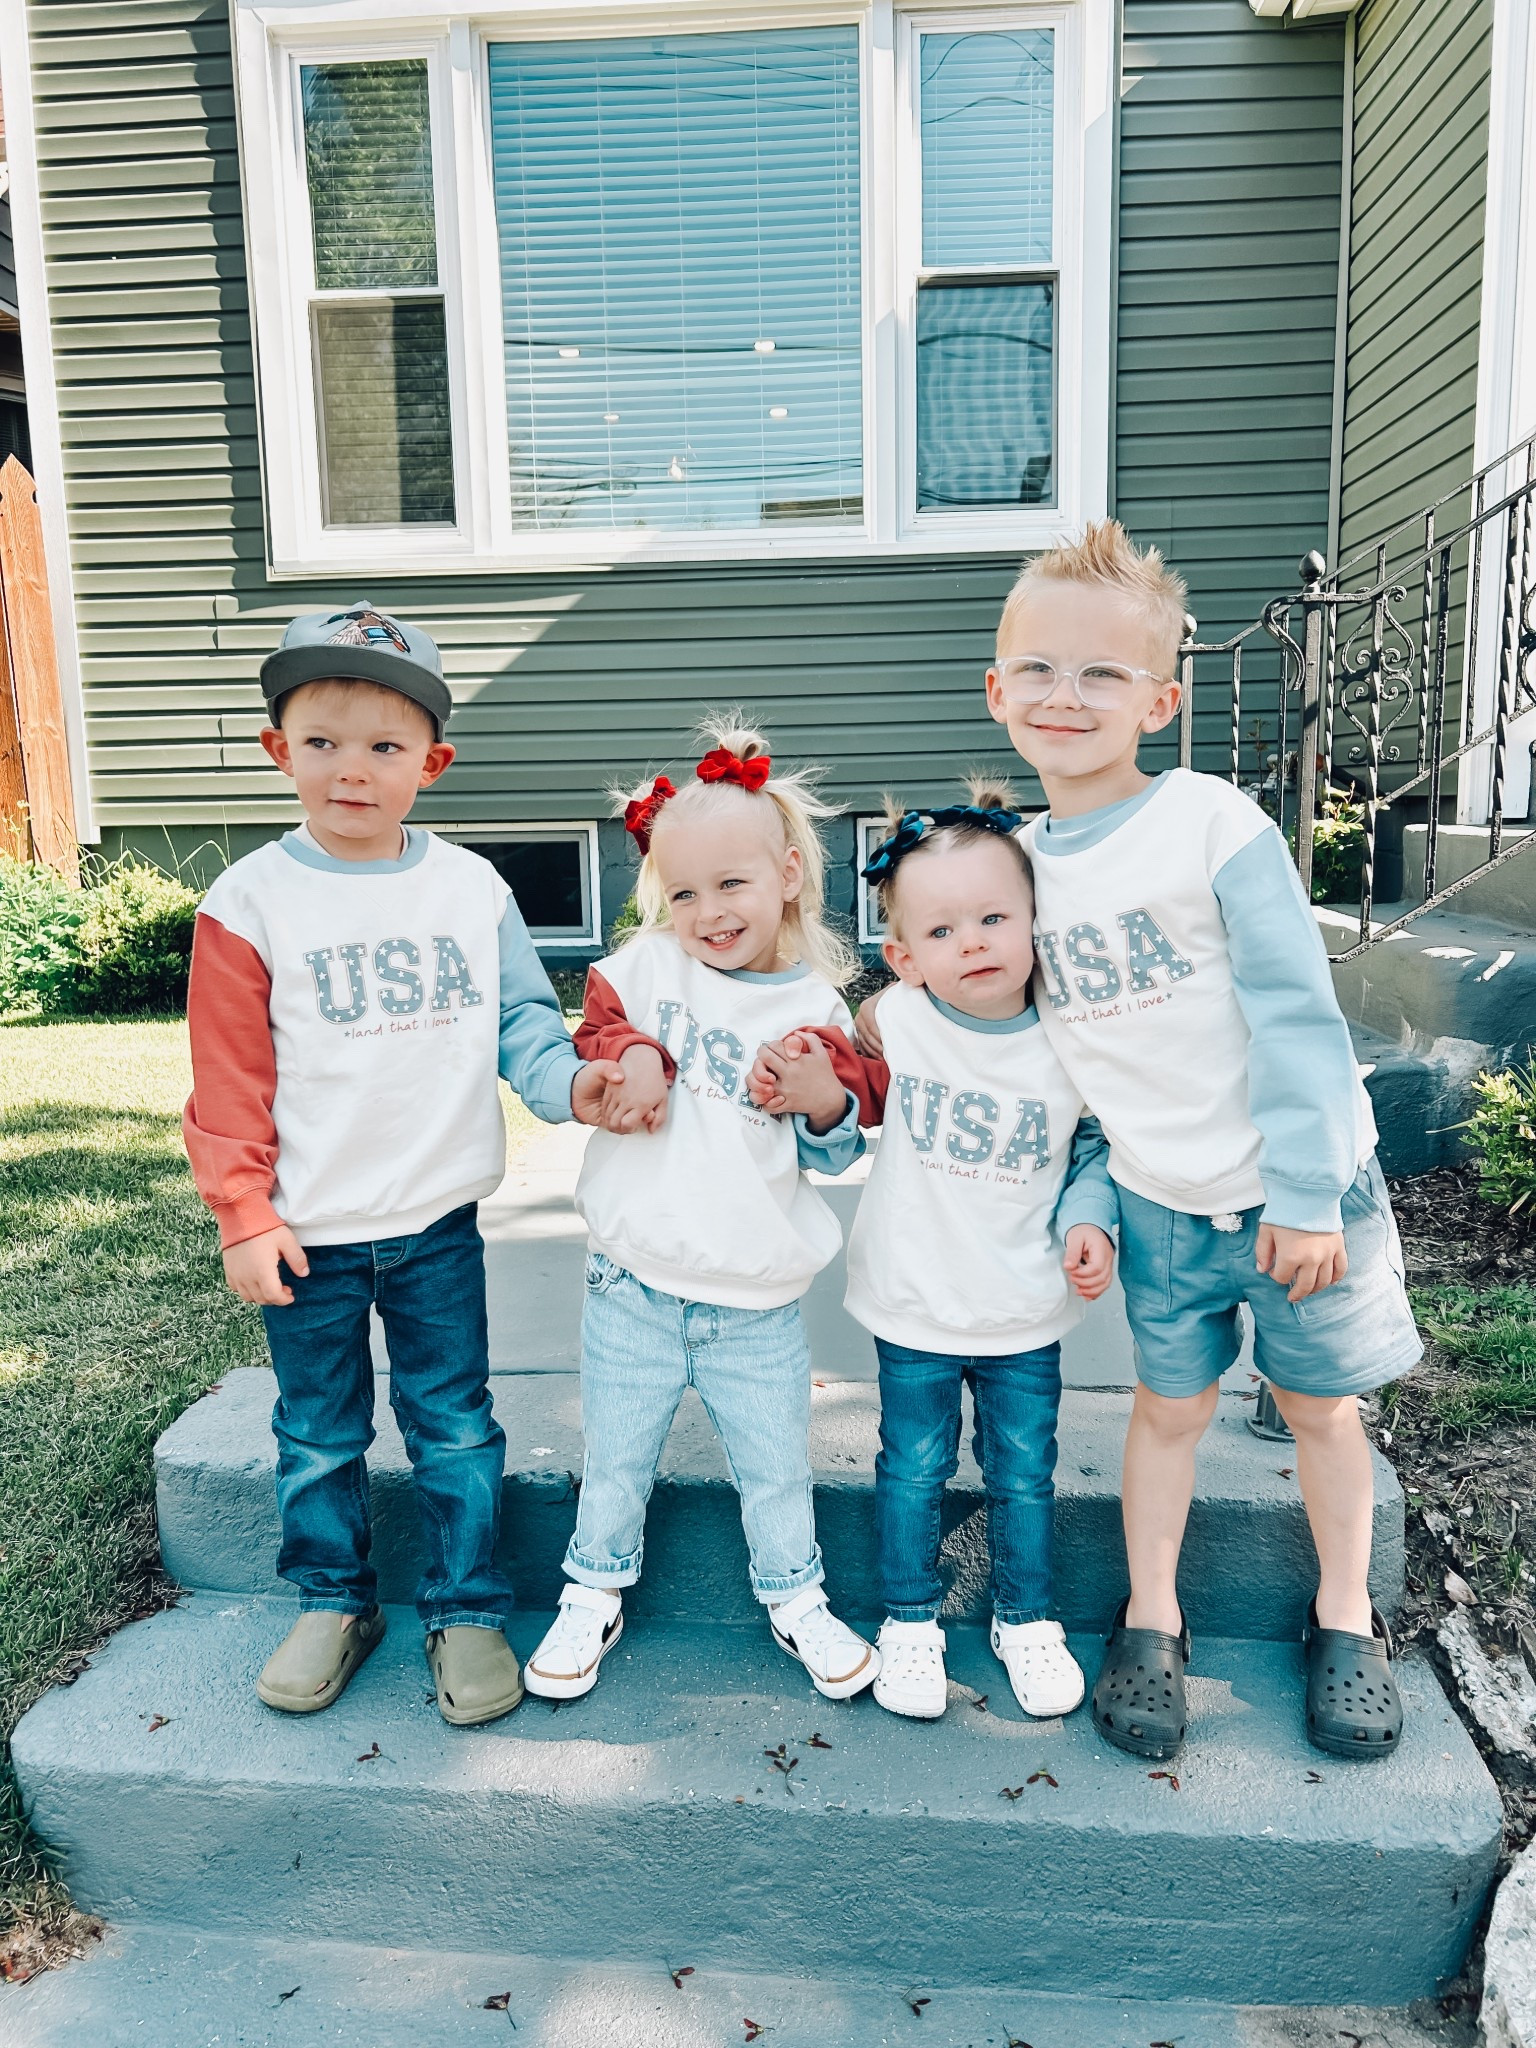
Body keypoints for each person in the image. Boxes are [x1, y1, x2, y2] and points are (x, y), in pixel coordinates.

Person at [859, 525, 1421, 1763]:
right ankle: (1151, 1616)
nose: (1069, 696)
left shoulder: (1210, 823)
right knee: (1169, 1410)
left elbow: (1294, 1014)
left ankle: (1346, 1615)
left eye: (1104, 674)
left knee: (1319, 1409)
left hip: (1299, 1197)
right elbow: (993, 1020)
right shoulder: (1017, 870)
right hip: (1164, 1203)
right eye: (1041, 670)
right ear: (997, 689)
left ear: (1161, 699)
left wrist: (1310, 1190)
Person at [183, 603, 624, 1727]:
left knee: (455, 1420)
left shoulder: (470, 889)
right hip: (306, 1229)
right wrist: (242, 1209)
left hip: (434, 1223)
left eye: (384, 746)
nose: (352, 770)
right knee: (319, 1426)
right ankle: (334, 1597)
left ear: (432, 761)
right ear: (279, 749)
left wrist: (568, 1082)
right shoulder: (248, 903)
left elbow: (524, 1018)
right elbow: (226, 1080)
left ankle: (466, 1603)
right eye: (322, 740)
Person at [521, 717, 880, 1703]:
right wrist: (633, 1057)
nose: (709, 910)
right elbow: (600, 1028)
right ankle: (591, 1588)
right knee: (616, 1459)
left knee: (776, 1469)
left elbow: (841, 1142)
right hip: (630, 1282)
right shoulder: (648, 967)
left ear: (790, 873)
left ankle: (795, 1596)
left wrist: (818, 1100)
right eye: (684, 892)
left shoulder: (814, 1009)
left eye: (732, 884)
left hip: (754, 1299)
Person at [749, 784, 1118, 1722]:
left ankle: (1025, 1617)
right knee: (912, 1465)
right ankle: (909, 1618)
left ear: (1039, 922)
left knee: (1022, 1470)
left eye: (996, 917)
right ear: (904, 958)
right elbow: (841, 1109)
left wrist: (1091, 1220)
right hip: (914, 1300)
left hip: (1025, 1305)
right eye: (944, 931)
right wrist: (812, 1084)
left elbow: (1094, 1149)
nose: (976, 943)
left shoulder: (1074, 1042)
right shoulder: (898, 1026)